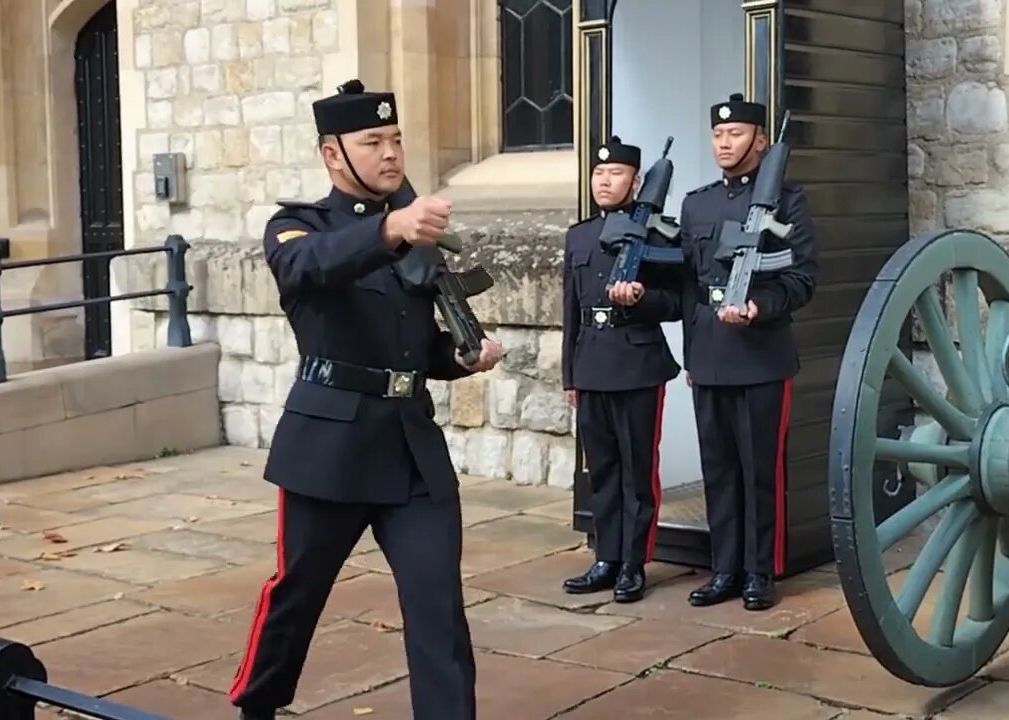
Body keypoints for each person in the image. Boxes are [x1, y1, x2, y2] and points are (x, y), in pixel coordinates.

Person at [228, 79, 503, 720]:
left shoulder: (415, 240)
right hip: (331, 450)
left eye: (397, 139)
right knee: (297, 594)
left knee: (438, 605)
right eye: (372, 141)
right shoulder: (298, 227)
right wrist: (389, 229)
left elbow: (415, 349)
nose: (390, 154)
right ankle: (256, 706)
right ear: (333, 155)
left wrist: (462, 357)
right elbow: (309, 269)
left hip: (411, 450)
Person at [677, 93, 819, 611]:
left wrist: (759, 305)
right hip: (712, 354)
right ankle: (725, 569)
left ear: (760, 140)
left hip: (761, 355)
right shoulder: (697, 203)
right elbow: (691, 287)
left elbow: (802, 278)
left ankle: (759, 572)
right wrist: (693, 357)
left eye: (734, 134)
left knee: (760, 468)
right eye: (717, 135)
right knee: (718, 468)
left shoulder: (789, 200)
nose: (723, 143)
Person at [560, 136, 683, 603]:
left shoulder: (656, 234)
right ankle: (605, 558)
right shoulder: (580, 235)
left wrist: (641, 298)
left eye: (615, 174)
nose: (604, 180)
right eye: (598, 173)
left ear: (635, 182)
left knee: (637, 469)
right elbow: (570, 308)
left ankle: (634, 562)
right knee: (602, 469)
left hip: (637, 363)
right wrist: (570, 375)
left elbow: (675, 302)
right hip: (591, 363)